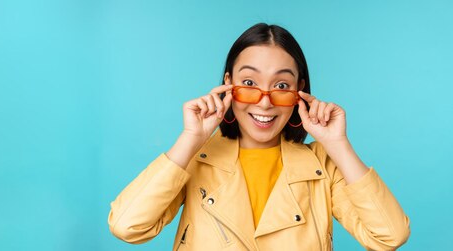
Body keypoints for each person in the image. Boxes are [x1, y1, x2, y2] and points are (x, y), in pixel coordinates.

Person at [107, 23, 410, 251]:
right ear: (228, 84)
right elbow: (127, 226)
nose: (264, 102)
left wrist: (338, 145)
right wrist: (191, 138)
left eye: (280, 86)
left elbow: (389, 235)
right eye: (249, 82)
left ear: (298, 92)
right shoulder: (197, 157)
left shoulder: (322, 164)